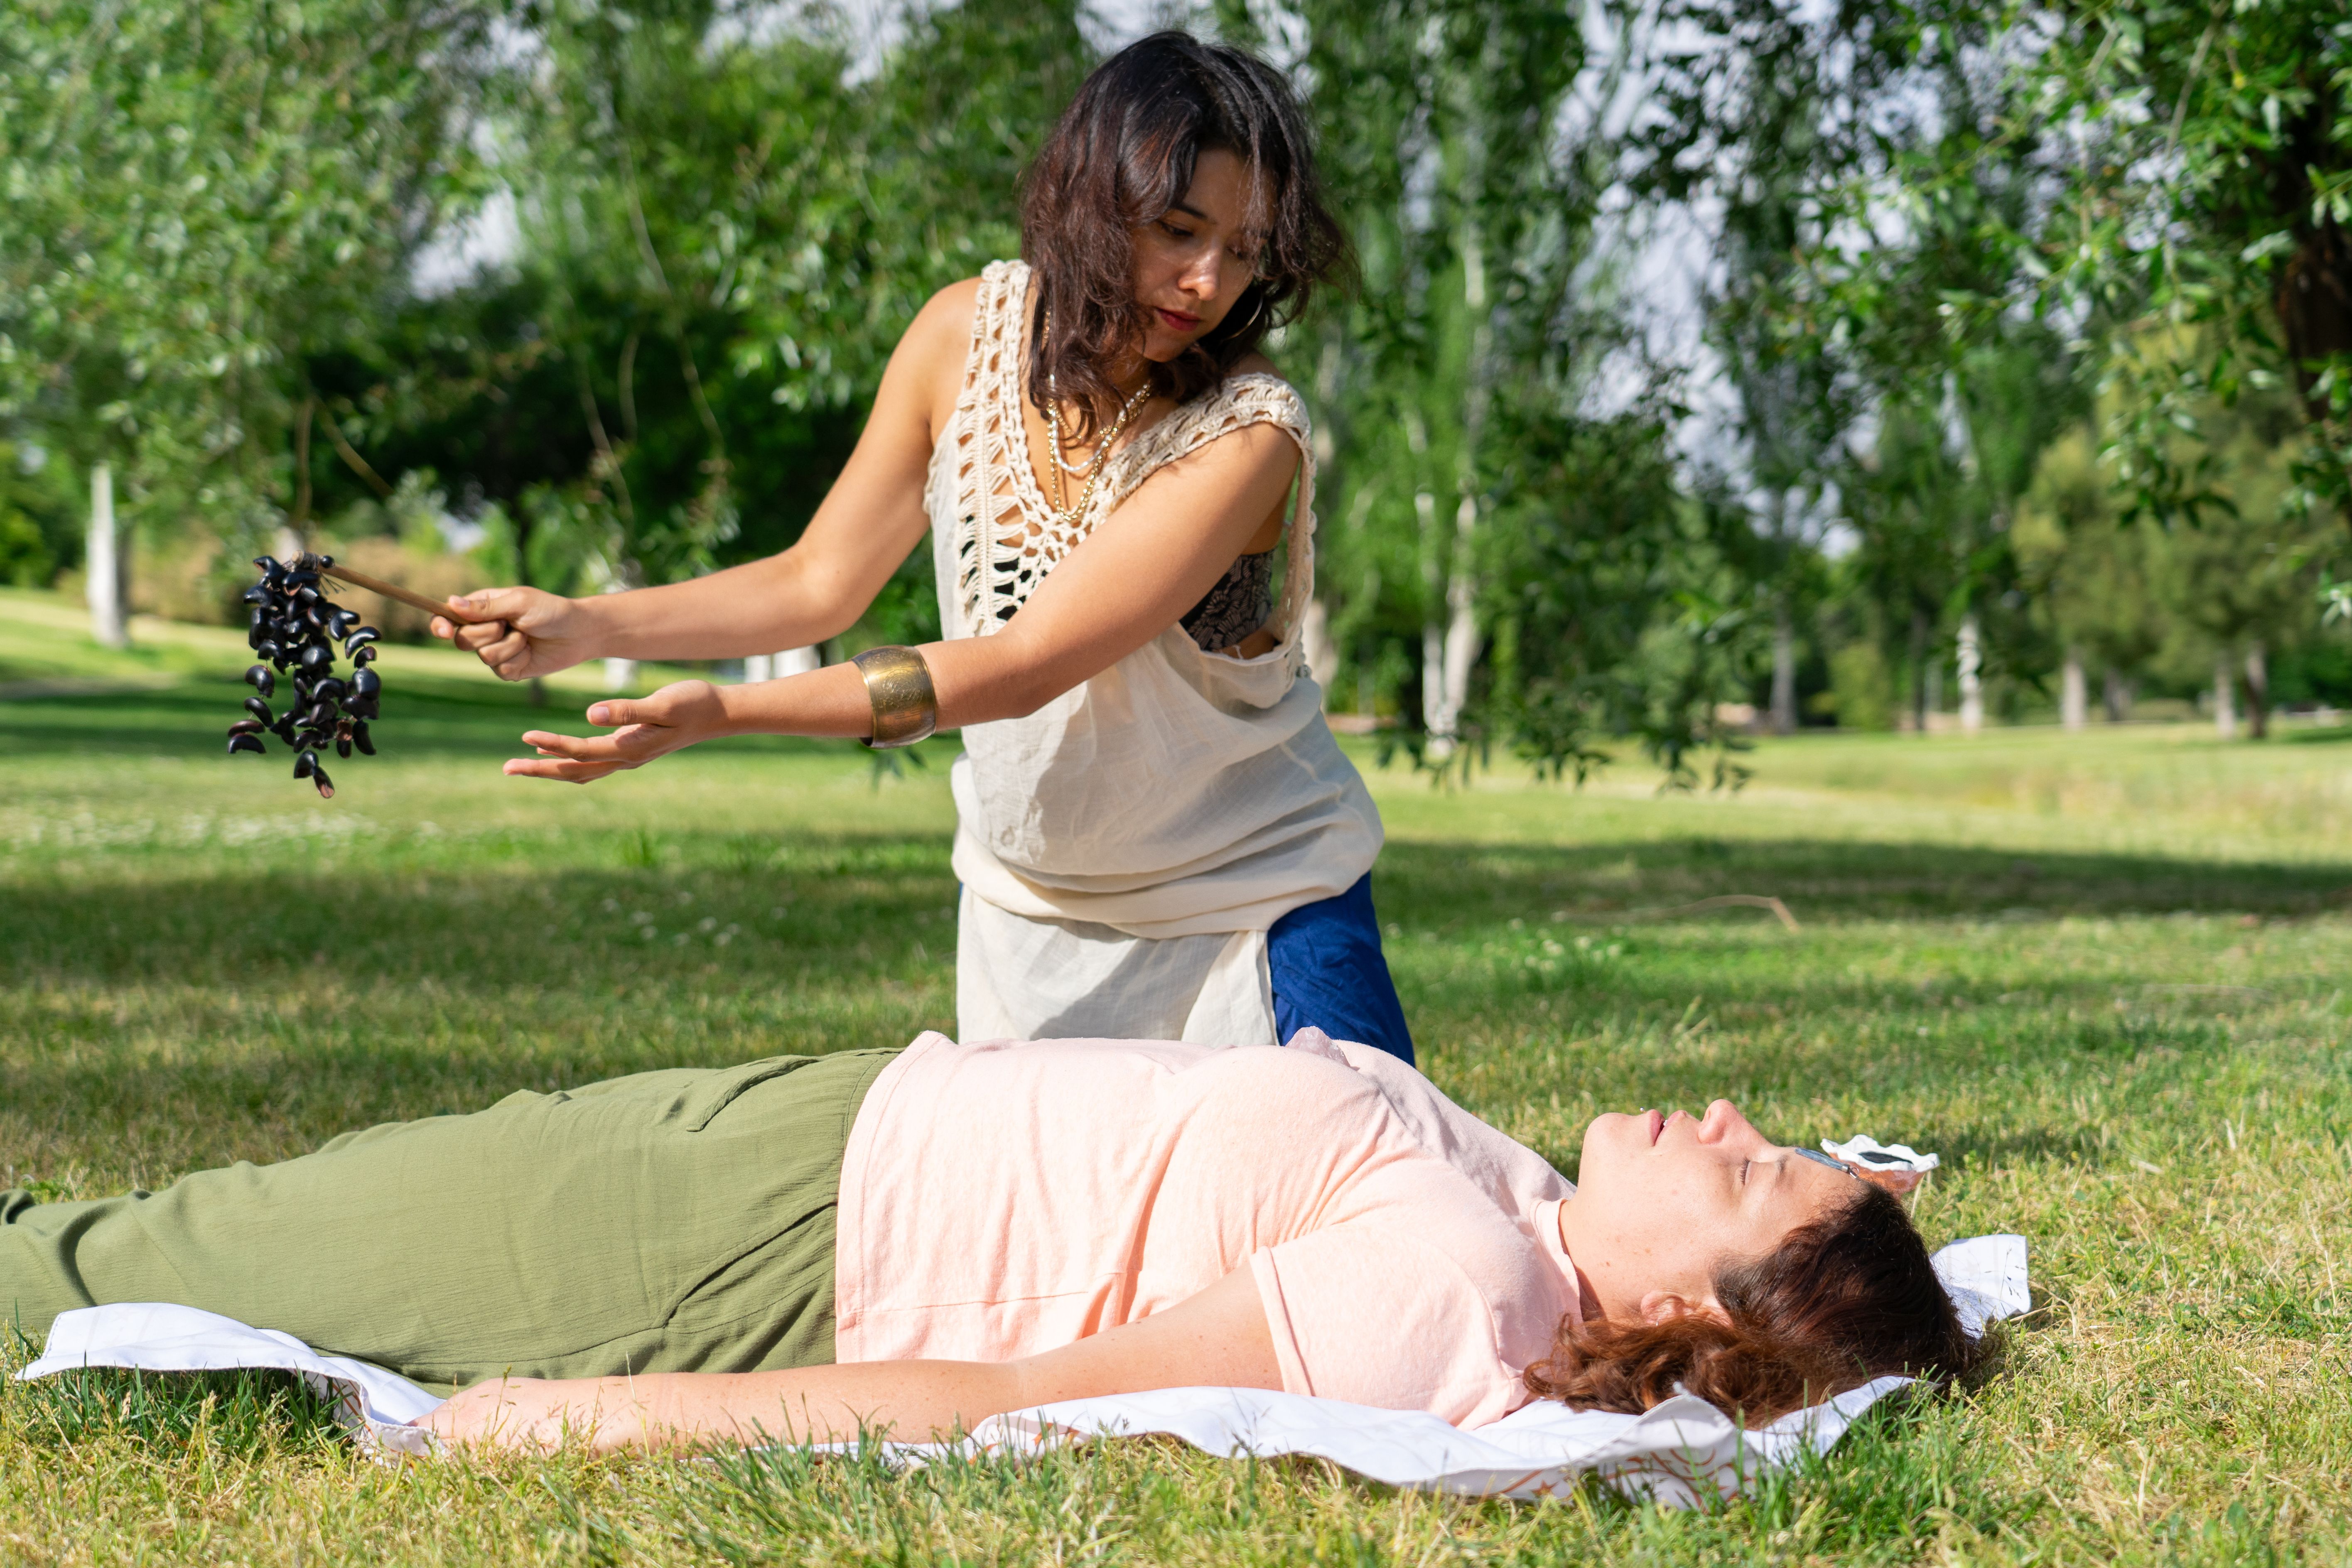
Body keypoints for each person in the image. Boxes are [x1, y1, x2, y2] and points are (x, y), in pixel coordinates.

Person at [426, 34, 1414, 1063]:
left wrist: (727, 710)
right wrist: (588, 624)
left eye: (1244, 250)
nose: (1206, 281)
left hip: (1255, 899)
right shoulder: (961, 335)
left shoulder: (1248, 431)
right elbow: (819, 579)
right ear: (1095, 195)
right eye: (1177, 229)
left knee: (1364, 1169)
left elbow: (1024, 665)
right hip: (1026, 917)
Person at [0, 1033, 1976, 1455]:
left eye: (1746, 1172)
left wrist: (556, 1421)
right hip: (798, 1136)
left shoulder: (1444, 1291)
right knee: (217, 1219)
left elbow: (1015, 1399)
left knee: (117, 1259)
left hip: (742, 1249)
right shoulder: (1519, 1206)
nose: (1724, 1117)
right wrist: (1870, 1228)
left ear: (1684, 1307)